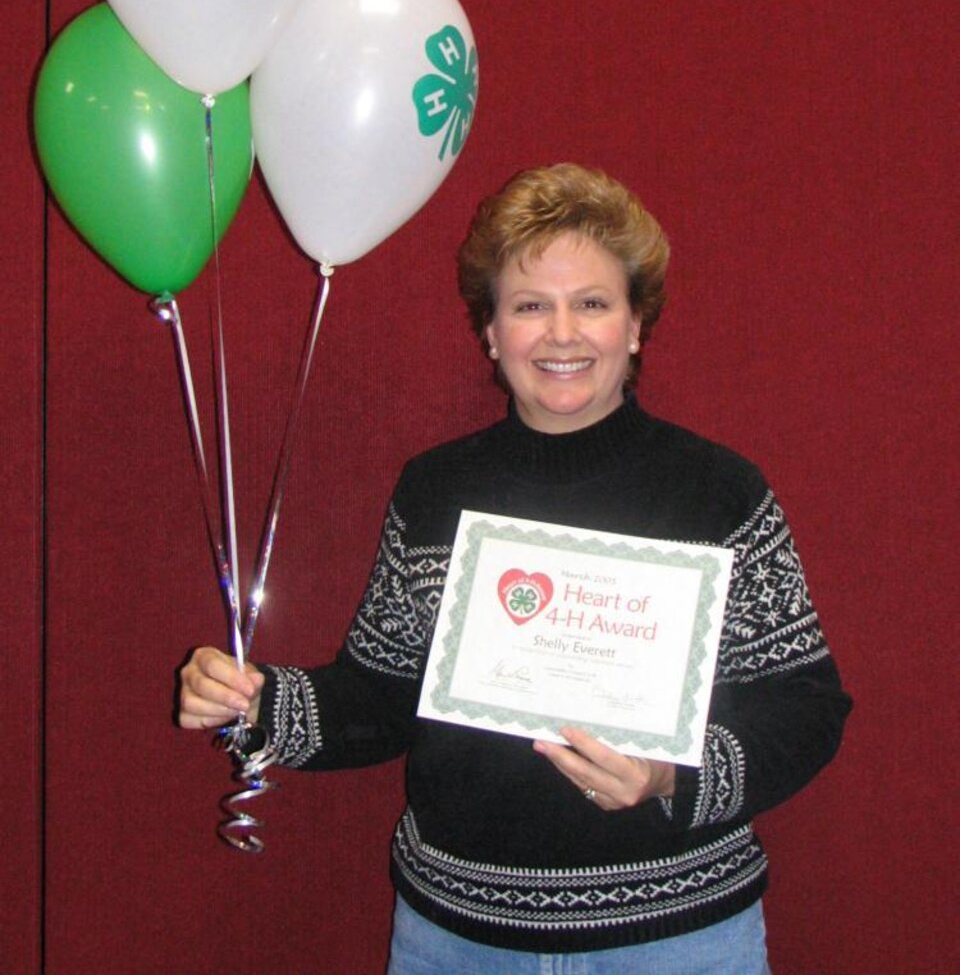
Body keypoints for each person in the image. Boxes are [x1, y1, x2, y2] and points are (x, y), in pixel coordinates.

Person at [180, 163, 851, 973]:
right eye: (530, 306)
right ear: (492, 332)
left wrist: (672, 777)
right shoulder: (435, 490)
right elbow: (383, 695)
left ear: (636, 326)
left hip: (676, 940)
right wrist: (257, 704)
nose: (561, 334)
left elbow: (805, 708)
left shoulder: (718, 492)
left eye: (593, 304)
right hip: (456, 940)